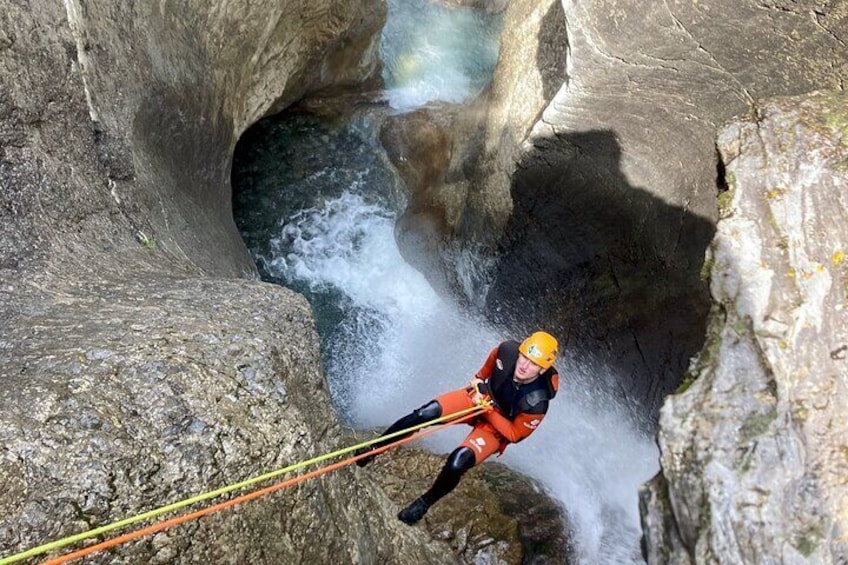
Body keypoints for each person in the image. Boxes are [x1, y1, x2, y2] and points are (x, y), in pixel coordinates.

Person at [355, 331, 560, 525]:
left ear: (542, 370)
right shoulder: (506, 351)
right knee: (424, 414)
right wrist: (477, 386)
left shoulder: (537, 403)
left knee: (457, 462)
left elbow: (514, 434)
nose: (524, 365)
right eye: (524, 357)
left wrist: (487, 411)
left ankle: (424, 504)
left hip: (497, 428)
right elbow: (481, 376)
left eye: (533, 364)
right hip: (479, 399)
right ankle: (374, 449)